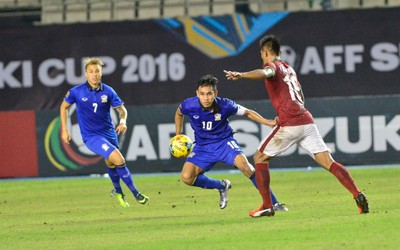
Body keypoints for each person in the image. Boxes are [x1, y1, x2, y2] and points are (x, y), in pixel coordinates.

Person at [224, 34, 369, 217]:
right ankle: (357, 194)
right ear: (280, 52)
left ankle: (268, 205)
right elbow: (300, 94)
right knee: (329, 162)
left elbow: (265, 73)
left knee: (259, 157)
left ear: (265, 52)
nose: (262, 58)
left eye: (262, 54)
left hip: (290, 123)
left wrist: (242, 75)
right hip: (306, 121)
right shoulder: (288, 68)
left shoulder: (273, 67)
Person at [174, 74, 288, 212]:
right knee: (187, 177)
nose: (206, 98)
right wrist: (178, 133)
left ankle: (274, 203)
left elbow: (248, 112)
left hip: (224, 143)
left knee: (247, 168)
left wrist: (268, 122)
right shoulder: (189, 104)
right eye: (202, 94)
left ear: (215, 93)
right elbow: (179, 112)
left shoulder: (225, 105)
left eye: (209, 94)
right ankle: (221, 186)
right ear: (197, 93)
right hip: (202, 147)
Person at [60, 57, 149, 208]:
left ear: (101, 73)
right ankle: (136, 193)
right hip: (91, 137)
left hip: (109, 133)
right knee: (119, 159)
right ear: (86, 74)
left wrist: (122, 121)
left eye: (97, 71)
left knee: (111, 162)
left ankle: (119, 192)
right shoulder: (76, 92)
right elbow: (64, 107)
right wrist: (65, 129)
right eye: (91, 71)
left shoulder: (108, 91)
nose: (94, 74)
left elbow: (122, 110)